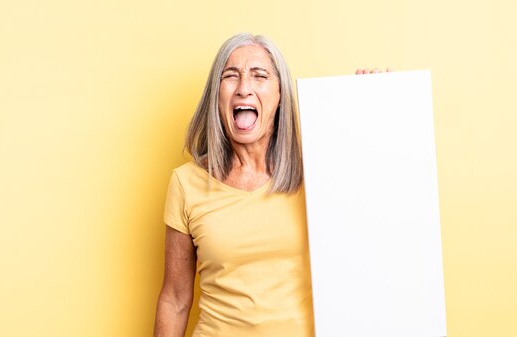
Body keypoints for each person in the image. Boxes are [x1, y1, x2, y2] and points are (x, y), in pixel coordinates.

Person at [154, 32, 388, 337]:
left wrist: (381, 106)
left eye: (259, 76)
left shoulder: (317, 173)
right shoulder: (186, 183)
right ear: (217, 94)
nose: (243, 89)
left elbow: (380, 216)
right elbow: (174, 300)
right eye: (230, 76)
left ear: (280, 95)